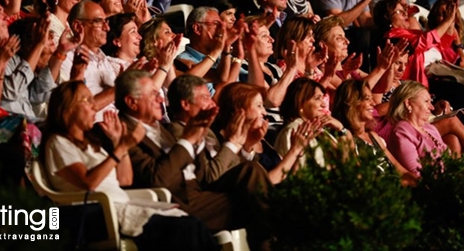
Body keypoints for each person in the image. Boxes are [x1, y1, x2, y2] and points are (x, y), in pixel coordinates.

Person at [43, 81, 220, 251]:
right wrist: (120, 149)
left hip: (121, 205)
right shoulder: (58, 142)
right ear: (68, 108)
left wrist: (119, 143)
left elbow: (125, 179)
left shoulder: (91, 144)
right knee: (187, 229)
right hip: (96, 213)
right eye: (87, 100)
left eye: (92, 99)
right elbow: (89, 183)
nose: (94, 106)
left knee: (194, 225)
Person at [116, 70, 272, 250]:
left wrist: (197, 137)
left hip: (200, 193)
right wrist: (190, 139)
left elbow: (198, 172)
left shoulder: (161, 129)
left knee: (257, 194)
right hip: (179, 203)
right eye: (153, 94)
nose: (161, 99)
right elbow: (157, 179)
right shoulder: (123, 132)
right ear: (131, 102)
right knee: (256, 199)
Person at [374, 52, 464, 157]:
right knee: (452, 121)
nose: (402, 68)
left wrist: (435, 107)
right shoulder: (379, 84)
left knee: (452, 139)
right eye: (398, 63)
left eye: (405, 64)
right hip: (400, 127)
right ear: (388, 61)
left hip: (421, 121)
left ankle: (455, 175)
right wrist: (404, 100)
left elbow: (418, 104)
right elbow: (376, 112)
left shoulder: (405, 83)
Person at [332, 79, 416, 184]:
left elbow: (401, 170)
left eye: (372, 98)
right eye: (367, 99)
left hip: (398, 189)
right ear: (351, 102)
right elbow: (359, 177)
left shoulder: (373, 136)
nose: (373, 103)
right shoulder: (345, 138)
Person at [276, 78, 349, 167]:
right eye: (317, 98)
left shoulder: (321, 131)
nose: (324, 104)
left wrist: (341, 128)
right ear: (300, 103)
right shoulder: (293, 131)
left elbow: (349, 163)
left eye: (322, 98)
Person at [385, 81, 449, 176]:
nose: (431, 107)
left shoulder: (430, 128)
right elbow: (416, 174)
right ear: (408, 103)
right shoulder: (402, 132)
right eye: (426, 101)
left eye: (431, 102)